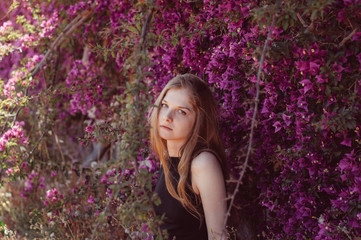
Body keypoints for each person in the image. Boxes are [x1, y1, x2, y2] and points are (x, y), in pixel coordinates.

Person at [150, 73, 229, 240]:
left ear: (198, 121)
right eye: (164, 105)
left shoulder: (202, 163)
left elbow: (219, 237)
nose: (167, 117)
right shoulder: (169, 158)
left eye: (181, 112)